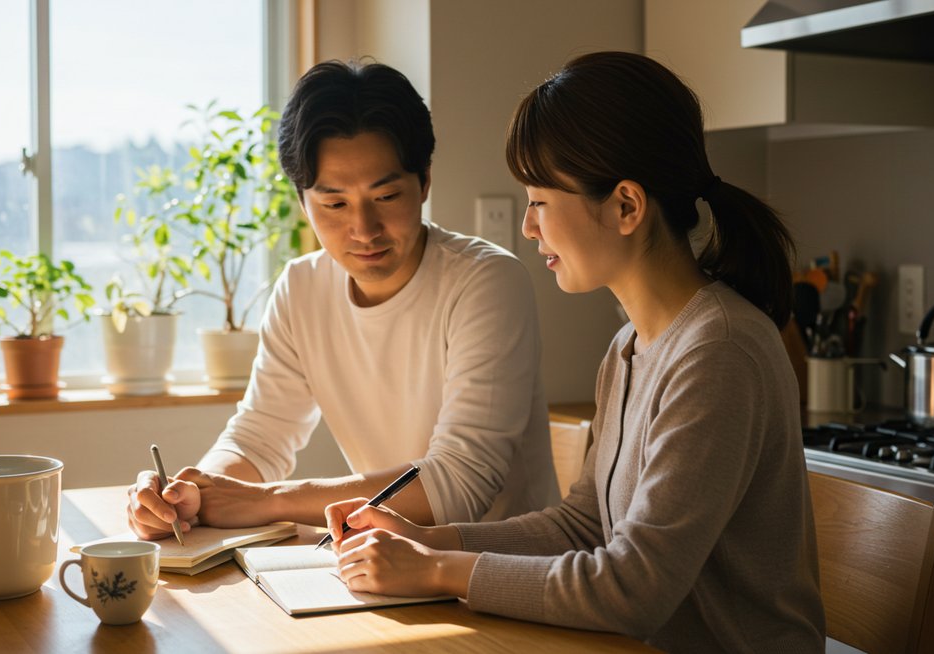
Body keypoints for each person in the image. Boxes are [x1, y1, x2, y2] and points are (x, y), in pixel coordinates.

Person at [321, 52, 826, 652]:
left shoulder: (719, 351)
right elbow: (583, 525)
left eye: (539, 201)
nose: (529, 228)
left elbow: (634, 588)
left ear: (626, 206)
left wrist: (432, 570)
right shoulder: (629, 348)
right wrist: (428, 541)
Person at [126, 60, 560, 538]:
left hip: (500, 572)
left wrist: (266, 502)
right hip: (381, 564)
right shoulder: (301, 288)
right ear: (302, 201)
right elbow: (259, 438)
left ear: (425, 182)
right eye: (334, 204)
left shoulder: (486, 282)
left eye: (387, 196)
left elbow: (459, 485)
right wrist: (192, 496)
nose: (364, 229)